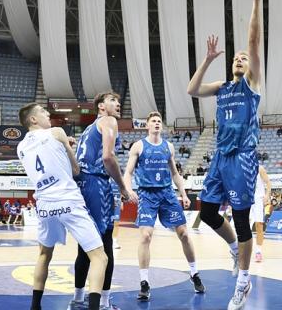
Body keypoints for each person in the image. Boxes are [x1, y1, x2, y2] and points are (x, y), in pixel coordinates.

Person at [186, 0, 269, 309]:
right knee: (206, 212)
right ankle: (234, 249)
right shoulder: (221, 87)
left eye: (244, 58)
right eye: (236, 58)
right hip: (220, 157)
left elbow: (253, 40)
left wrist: (256, 0)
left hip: (242, 158)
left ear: (251, 68)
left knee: (240, 218)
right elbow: (192, 90)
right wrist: (207, 59)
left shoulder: (252, 85)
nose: (240, 58)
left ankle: (243, 284)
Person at [17, 103, 108, 310]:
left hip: (45, 205)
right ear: (32, 119)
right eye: (42, 112)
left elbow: (46, 157)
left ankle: (35, 307)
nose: (47, 114)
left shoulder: (20, 147)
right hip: (67, 200)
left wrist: (62, 146)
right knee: (99, 257)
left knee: (44, 255)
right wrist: (68, 147)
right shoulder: (57, 132)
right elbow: (75, 169)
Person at [123, 111, 205, 301]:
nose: (157, 123)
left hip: (167, 193)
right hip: (147, 194)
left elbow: (175, 174)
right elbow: (127, 172)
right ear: (147, 126)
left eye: (159, 121)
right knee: (145, 236)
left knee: (184, 233)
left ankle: (194, 273)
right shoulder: (138, 146)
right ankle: (144, 282)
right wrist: (128, 190)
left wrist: (183, 194)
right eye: (153, 121)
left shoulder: (168, 146)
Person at [70, 91, 139, 310]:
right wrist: (123, 187)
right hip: (95, 183)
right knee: (105, 245)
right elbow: (108, 158)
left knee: (85, 245)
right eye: (112, 100)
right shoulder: (108, 121)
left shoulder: (88, 129)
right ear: (101, 106)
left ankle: (78, 299)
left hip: (81, 183)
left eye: (118, 101)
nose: (118, 104)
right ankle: (104, 303)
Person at [249, 165, 271, 263]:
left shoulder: (260, 168)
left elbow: (268, 182)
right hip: (246, 199)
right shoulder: (241, 167)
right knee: (245, 226)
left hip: (258, 199)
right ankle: (243, 250)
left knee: (259, 225)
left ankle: (258, 251)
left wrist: (267, 195)